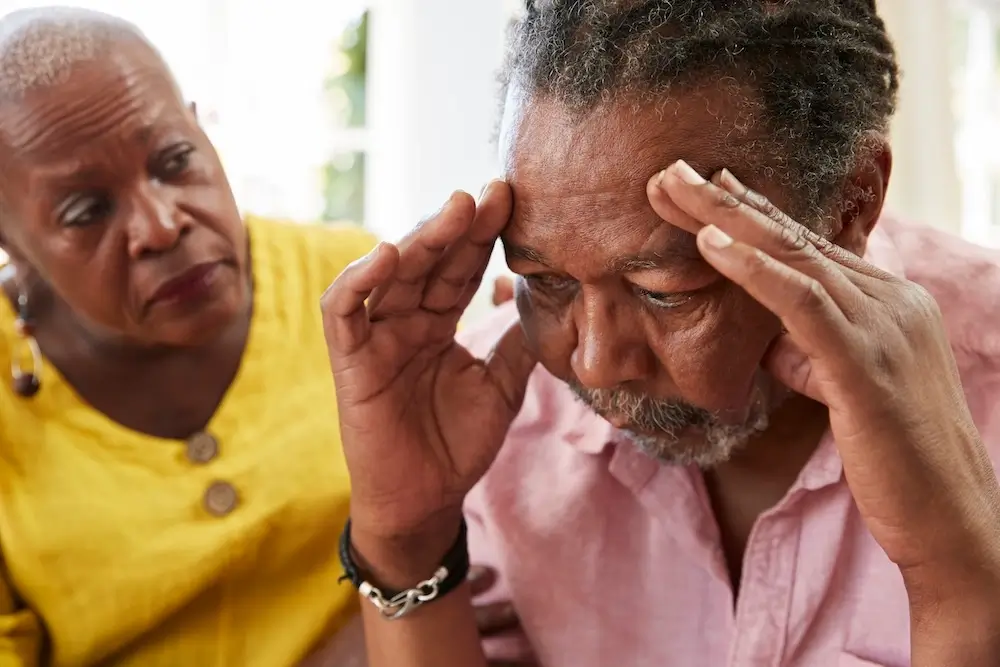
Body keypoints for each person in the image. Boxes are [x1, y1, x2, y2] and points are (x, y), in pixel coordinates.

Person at [322, 1, 1000, 666]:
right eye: (545, 279)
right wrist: (408, 539)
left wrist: (960, 578)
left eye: (664, 293)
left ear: (849, 204)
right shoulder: (491, 412)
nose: (594, 363)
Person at [0, 7, 526, 667]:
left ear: (200, 129)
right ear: (11, 244)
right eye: (86, 210)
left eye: (174, 161)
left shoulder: (357, 289)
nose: (161, 225)